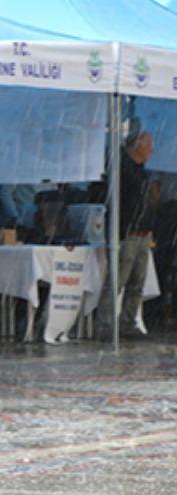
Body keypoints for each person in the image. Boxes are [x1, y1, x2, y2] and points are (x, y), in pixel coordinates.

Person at [96, 130, 158, 340]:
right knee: (117, 281)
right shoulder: (123, 168)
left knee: (136, 283)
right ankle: (105, 325)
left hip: (141, 233)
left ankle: (127, 323)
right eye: (148, 145)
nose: (152, 150)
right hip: (128, 233)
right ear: (138, 145)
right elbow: (120, 201)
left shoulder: (140, 171)